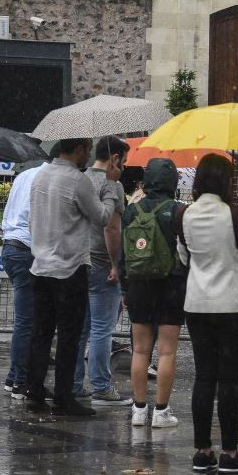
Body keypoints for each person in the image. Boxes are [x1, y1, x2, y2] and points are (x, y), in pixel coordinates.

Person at [178, 154, 238, 475]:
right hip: (232, 304)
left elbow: (183, 255)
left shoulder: (185, 215)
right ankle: (230, 452)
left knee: (203, 376)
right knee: (229, 379)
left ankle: (202, 451)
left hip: (197, 303)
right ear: (225, 181)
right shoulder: (235, 216)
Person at [24, 138, 119, 416]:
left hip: (40, 266)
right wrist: (111, 185)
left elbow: (33, 219)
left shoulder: (40, 176)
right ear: (78, 150)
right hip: (69, 268)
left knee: (41, 334)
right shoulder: (78, 181)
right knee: (69, 335)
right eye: (87, 151)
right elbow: (102, 217)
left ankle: (35, 391)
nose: (88, 156)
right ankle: (64, 397)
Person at [122, 158, 185, 429]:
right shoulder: (179, 211)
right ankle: (161, 411)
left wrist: (125, 287)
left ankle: (138, 410)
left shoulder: (131, 210)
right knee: (167, 352)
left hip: (138, 285)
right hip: (171, 285)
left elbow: (124, 252)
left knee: (141, 350)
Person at [76, 135, 131, 405]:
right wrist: (116, 264)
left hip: (78, 262)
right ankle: (100, 386)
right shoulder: (113, 185)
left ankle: (75, 384)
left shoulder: (80, 179)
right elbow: (112, 227)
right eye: (124, 161)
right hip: (101, 264)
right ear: (115, 158)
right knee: (101, 328)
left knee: (80, 328)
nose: (125, 167)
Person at [0, 158, 48, 399]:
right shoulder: (46, 178)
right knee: (26, 321)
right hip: (26, 249)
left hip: (10, 247)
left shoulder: (23, 176)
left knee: (25, 319)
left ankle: (14, 378)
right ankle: (19, 380)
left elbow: (9, 213)